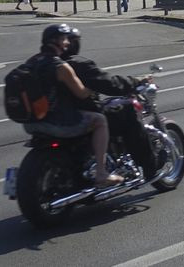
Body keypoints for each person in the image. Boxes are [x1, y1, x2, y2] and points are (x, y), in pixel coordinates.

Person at [48, 22, 156, 176]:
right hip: (79, 116)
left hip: (50, 119)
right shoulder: (77, 64)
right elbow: (110, 84)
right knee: (129, 110)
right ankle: (149, 167)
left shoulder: (44, 63)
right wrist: (136, 81)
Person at [21, 25, 122, 187]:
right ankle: (101, 173)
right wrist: (93, 85)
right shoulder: (60, 66)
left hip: (32, 122)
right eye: (64, 39)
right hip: (56, 122)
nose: (67, 43)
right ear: (56, 41)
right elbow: (81, 93)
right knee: (100, 120)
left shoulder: (31, 63)